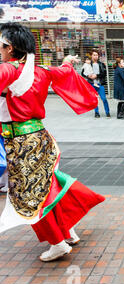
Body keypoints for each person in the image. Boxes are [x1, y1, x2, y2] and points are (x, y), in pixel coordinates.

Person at [0, 22, 105, 262]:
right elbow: (65, 71)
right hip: (41, 140)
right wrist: (68, 61)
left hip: (22, 144)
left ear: (10, 47)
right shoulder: (39, 70)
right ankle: (66, 231)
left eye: (2, 45)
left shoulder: (9, 70)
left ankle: (58, 242)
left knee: (33, 196)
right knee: (47, 189)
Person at [81, 49, 110, 118]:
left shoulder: (101, 64)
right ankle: (96, 113)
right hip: (91, 84)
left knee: (104, 99)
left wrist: (96, 75)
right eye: (94, 55)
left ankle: (107, 112)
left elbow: (104, 74)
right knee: (94, 99)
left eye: (96, 55)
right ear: (91, 56)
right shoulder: (88, 64)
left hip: (100, 84)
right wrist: (88, 76)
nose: (95, 56)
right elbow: (82, 73)